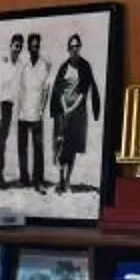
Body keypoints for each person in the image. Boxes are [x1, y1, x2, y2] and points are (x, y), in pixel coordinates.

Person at [48, 31, 101, 193]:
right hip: (62, 112)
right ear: (68, 49)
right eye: (72, 47)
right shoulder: (64, 67)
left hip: (77, 112)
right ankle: (60, 179)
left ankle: (68, 181)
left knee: (71, 147)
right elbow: (58, 90)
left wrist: (72, 108)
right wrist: (65, 107)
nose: (75, 49)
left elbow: (84, 92)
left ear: (80, 48)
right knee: (60, 145)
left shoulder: (85, 66)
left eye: (77, 46)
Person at [0, 33, 23, 192]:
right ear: (10, 45)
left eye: (20, 46)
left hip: (8, 108)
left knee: (1, 145)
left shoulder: (19, 64)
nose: (17, 49)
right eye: (15, 45)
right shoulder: (3, 63)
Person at [16, 32, 48, 192]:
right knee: (22, 147)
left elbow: (46, 89)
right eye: (33, 45)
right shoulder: (23, 65)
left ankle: (38, 180)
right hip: (23, 113)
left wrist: (42, 109)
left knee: (38, 148)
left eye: (37, 45)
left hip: (36, 113)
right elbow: (20, 89)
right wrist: (19, 108)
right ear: (28, 47)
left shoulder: (44, 65)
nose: (35, 48)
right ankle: (24, 178)